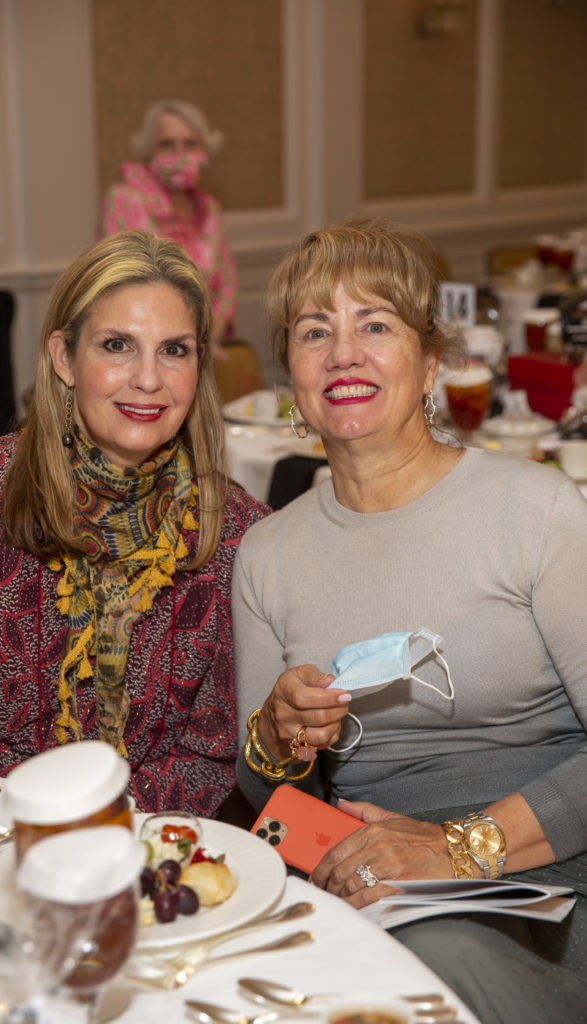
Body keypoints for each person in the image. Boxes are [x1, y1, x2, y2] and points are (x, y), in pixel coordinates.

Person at [232, 219, 587, 1023]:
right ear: (291, 372)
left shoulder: (535, 510)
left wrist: (461, 847)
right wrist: (280, 739)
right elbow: (271, 795)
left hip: (555, 876)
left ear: (430, 362)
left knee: (428, 963)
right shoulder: (268, 554)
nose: (342, 353)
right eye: (313, 330)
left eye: (375, 325)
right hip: (373, 879)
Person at [0, 230, 268, 817]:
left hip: (141, 846)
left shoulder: (235, 533)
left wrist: (98, 824)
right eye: (118, 345)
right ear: (63, 357)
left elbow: (211, 759)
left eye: (174, 350)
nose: (148, 379)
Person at [100, 100, 237, 362]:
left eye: (190, 144)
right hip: (139, 351)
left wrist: (208, 339)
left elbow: (227, 284)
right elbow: (116, 281)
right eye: (167, 144)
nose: (179, 154)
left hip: (203, 351)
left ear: (205, 150)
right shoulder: (124, 200)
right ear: (149, 150)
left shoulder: (210, 209)